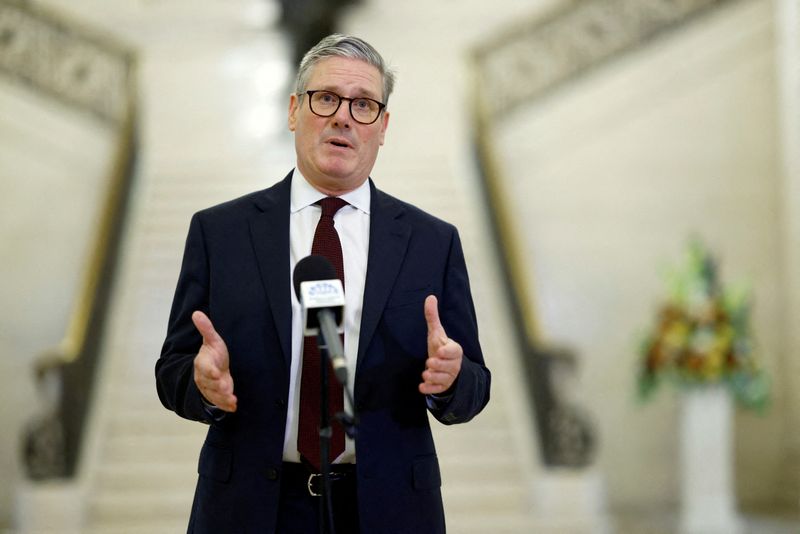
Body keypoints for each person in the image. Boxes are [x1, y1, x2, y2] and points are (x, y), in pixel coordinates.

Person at [155, 34, 490, 534]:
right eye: (327, 98)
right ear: (294, 110)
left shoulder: (431, 242)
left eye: (364, 105)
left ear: (383, 127)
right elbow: (173, 371)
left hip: (388, 508)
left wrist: (450, 380)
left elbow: (474, 387)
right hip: (250, 508)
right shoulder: (220, 232)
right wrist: (201, 385)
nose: (343, 118)